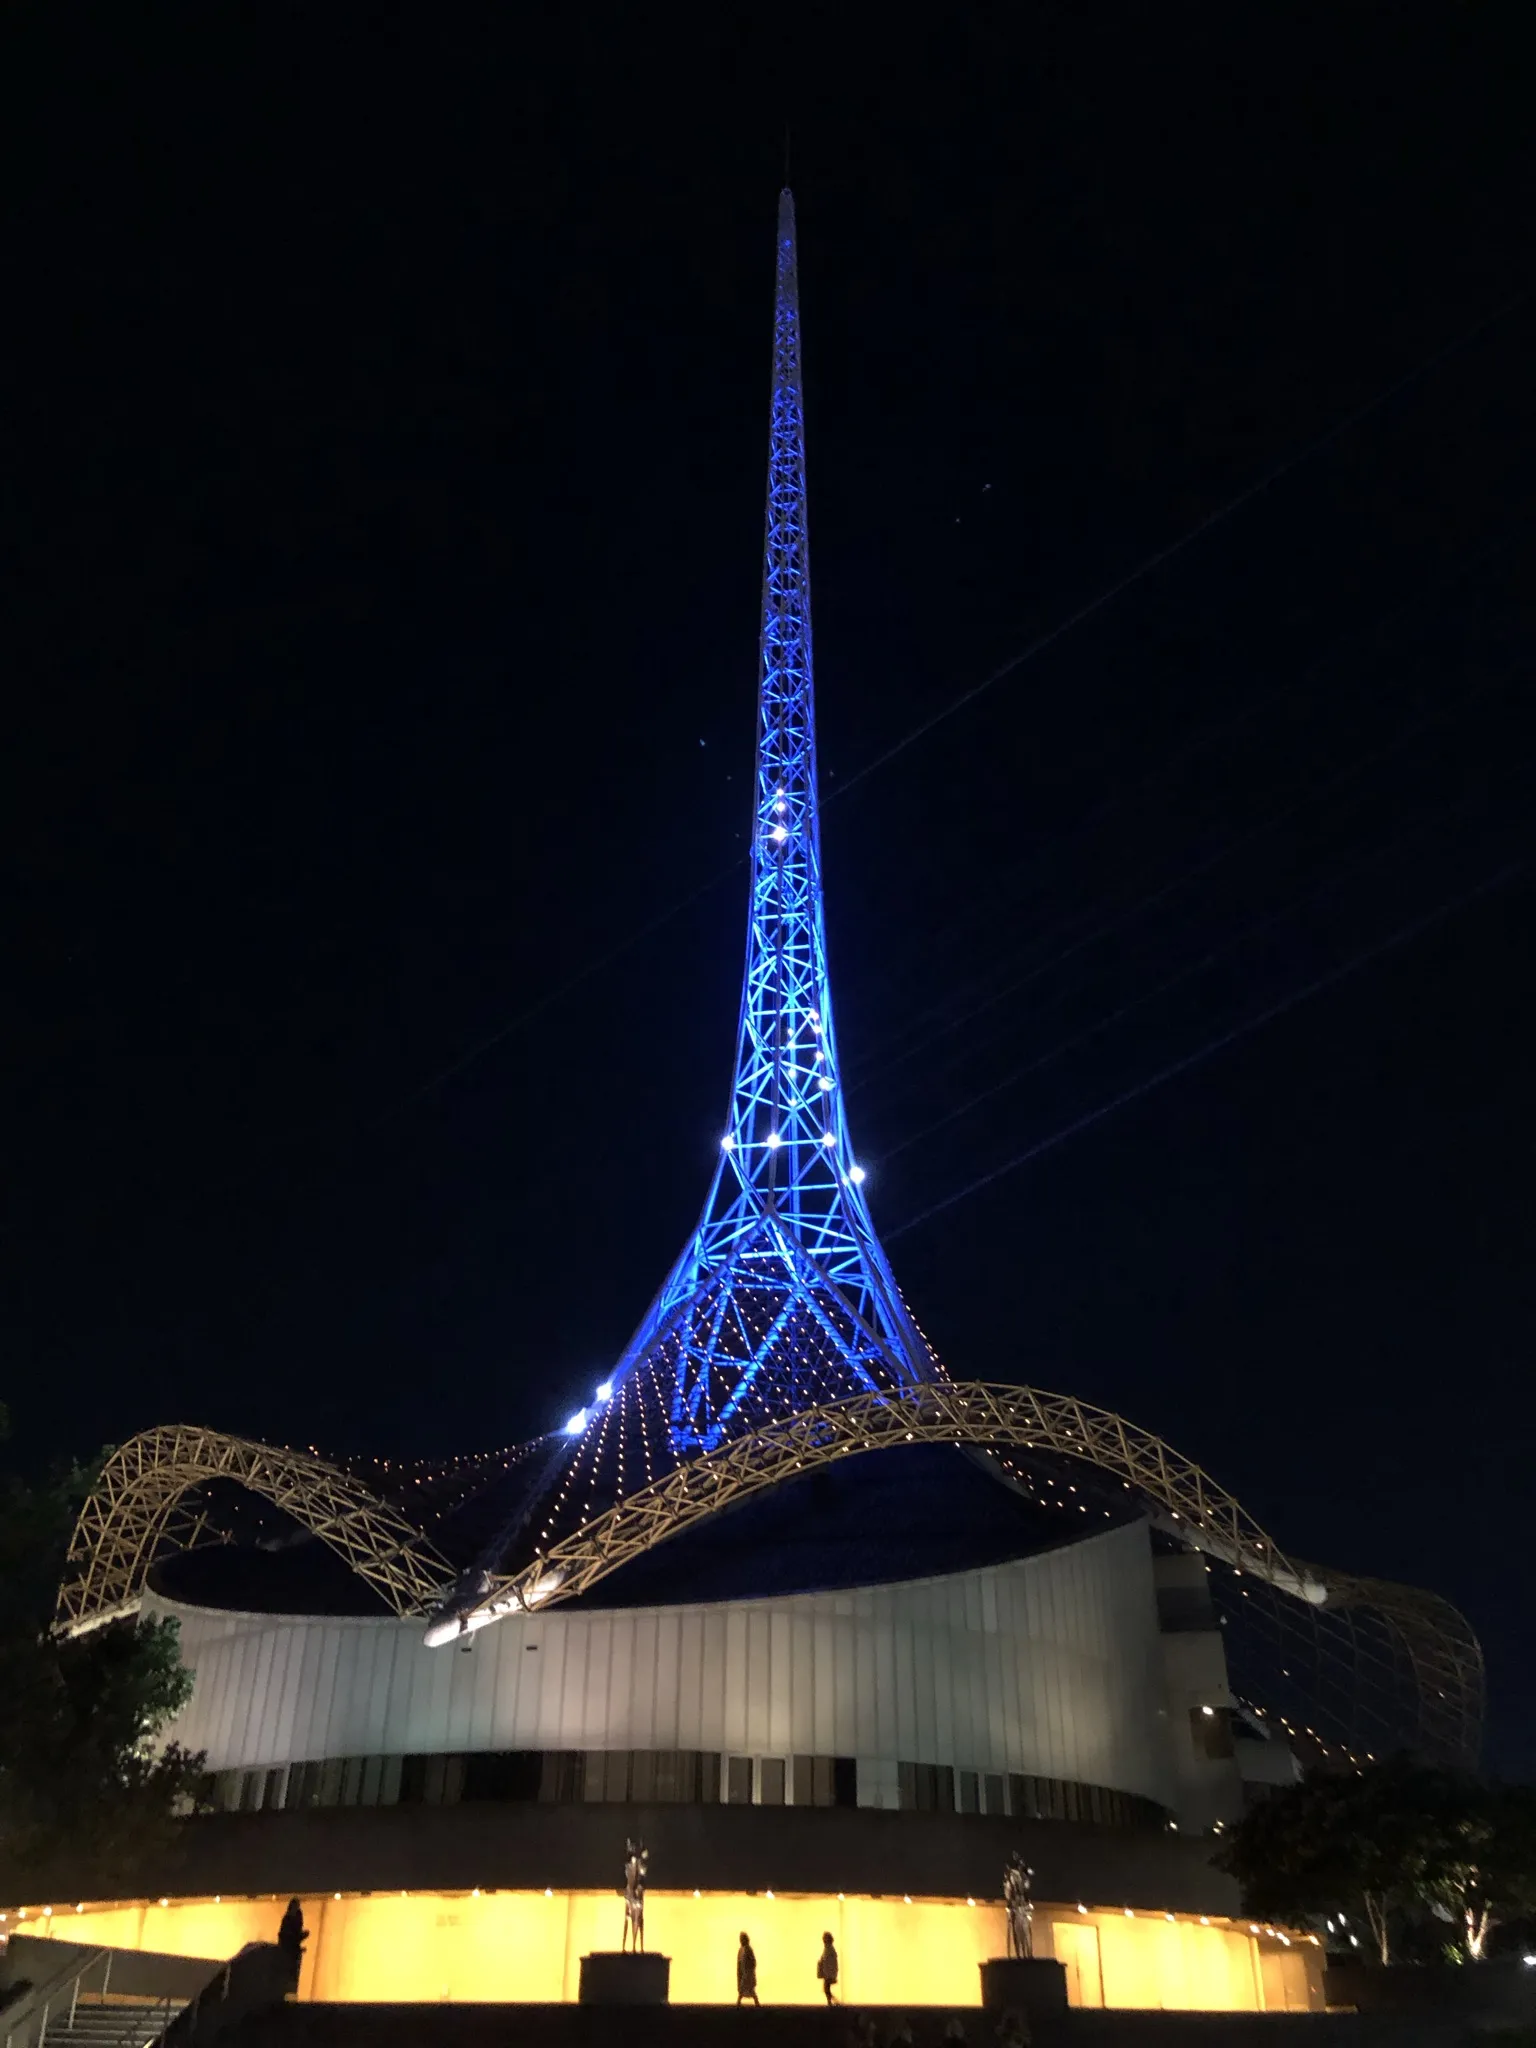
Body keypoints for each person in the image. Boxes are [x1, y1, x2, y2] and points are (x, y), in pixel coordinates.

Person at [276, 1898, 307, 1990]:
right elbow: (286, 1936)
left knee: (292, 1976)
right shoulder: (288, 1918)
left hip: (292, 1950)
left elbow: (294, 1935)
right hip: (288, 1950)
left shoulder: (296, 1916)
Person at [736, 1930, 759, 2005]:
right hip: (743, 1973)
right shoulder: (741, 1950)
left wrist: (750, 1970)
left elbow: (753, 1961)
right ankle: (738, 2002)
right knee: (742, 1989)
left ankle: (756, 2002)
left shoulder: (749, 1949)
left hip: (748, 1973)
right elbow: (739, 1962)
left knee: (750, 1990)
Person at [817, 1930, 839, 2006]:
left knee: (826, 1989)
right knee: (826, 1989)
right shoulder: (828, 1949)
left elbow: (830, 1962)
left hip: (829, 1973)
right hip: (828, 1973)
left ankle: (832, 2002)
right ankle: (832, 2002)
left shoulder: (830, 1949)